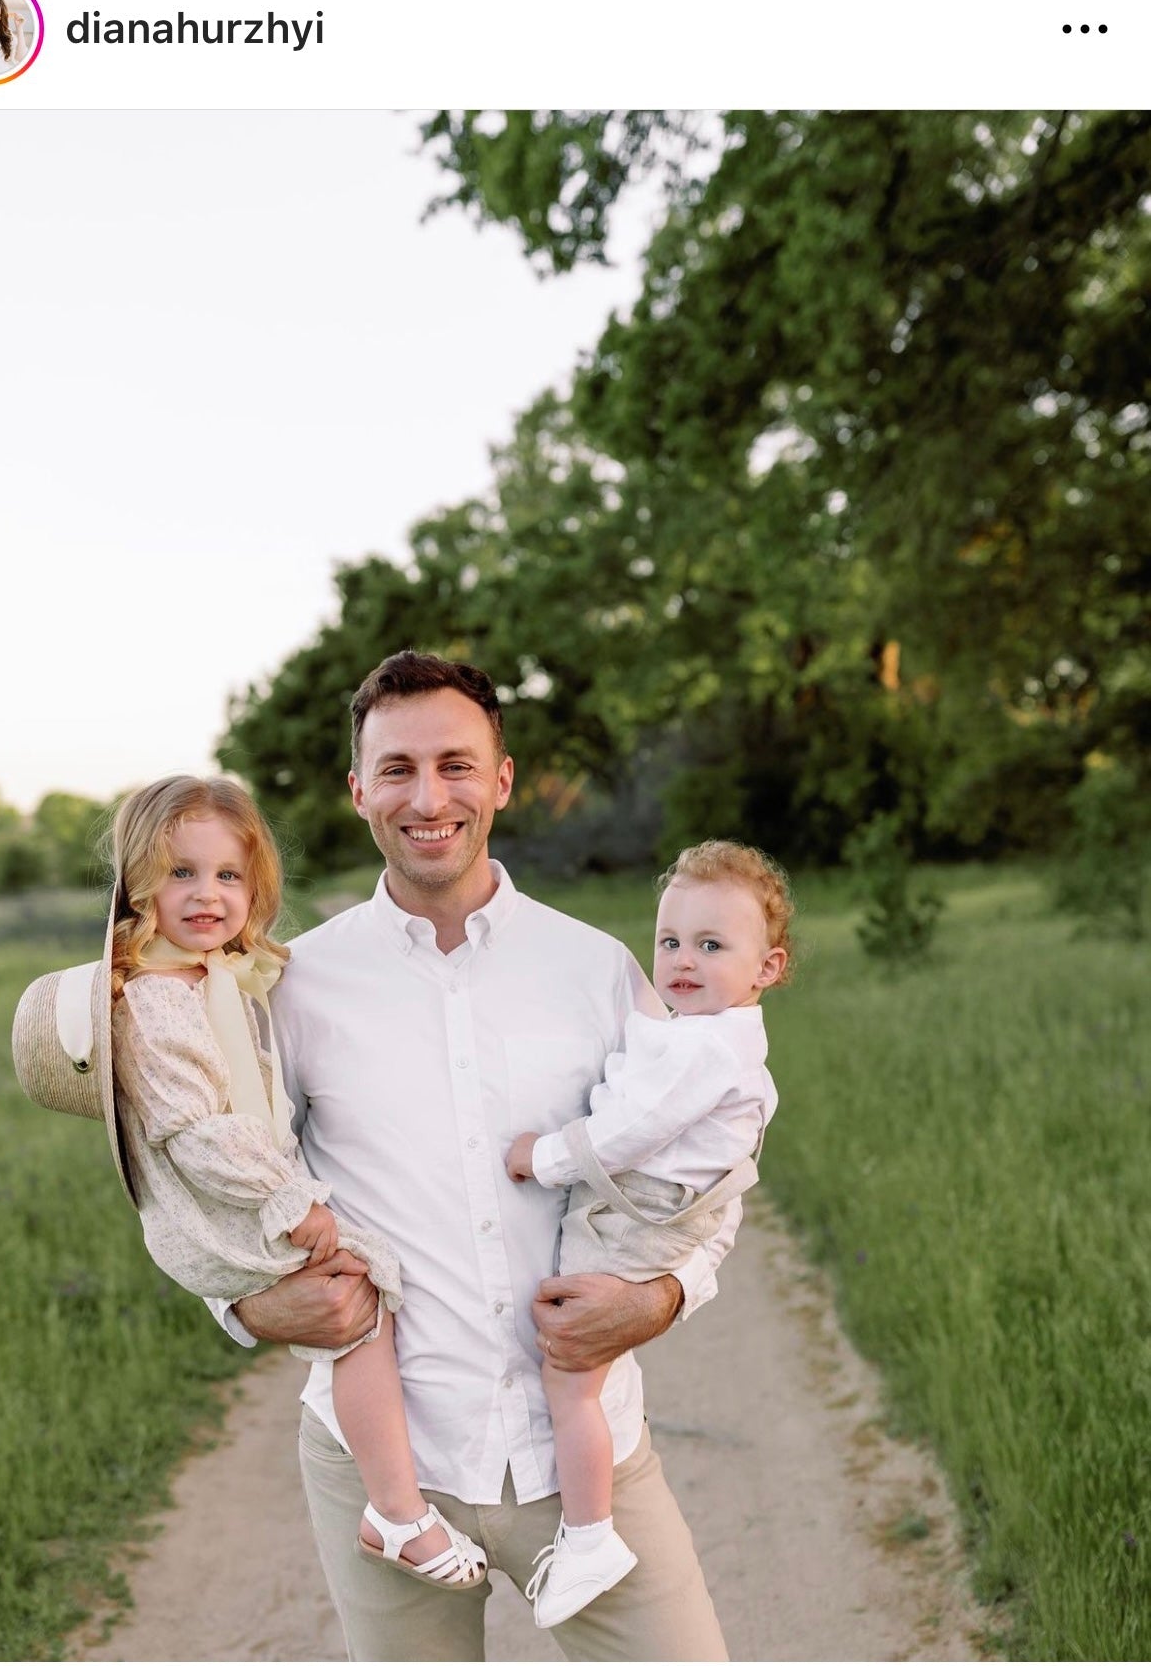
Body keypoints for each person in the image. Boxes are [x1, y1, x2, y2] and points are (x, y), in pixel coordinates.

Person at [217, 650, 736, 1662]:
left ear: (500, 779)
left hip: (587, 1463)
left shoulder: (597, 971)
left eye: (456, 763)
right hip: (384, 1473)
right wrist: (243, 1307)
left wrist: (667, 1296)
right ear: (359, 788)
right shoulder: (290, 986)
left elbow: (704, 1172)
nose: (429, 795)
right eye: (398, 768)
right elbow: (213, 1186)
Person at [108, 775, 487, 1590]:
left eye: (228, 875)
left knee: (367, 1301)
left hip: (250, 1189)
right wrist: (295, 1201)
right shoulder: (155, 997)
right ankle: (396, 1506)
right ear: (139, 881)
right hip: (229, 1207)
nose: (207, 893)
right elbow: (194, 1132)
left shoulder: (217, 976)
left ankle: (402, 1492)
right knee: (362, 1294)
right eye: (180, 873)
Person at [504, 840, 790, 1625]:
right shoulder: (696, 1029)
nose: (682, 960)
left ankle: (590, 1533)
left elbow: (629, 1129)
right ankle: (588, 1527)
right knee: (577, 1374)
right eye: (669, 941)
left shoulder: (710, 1047)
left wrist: (543, 1157)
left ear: (767, 967)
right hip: (641, 1204)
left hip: (633, 1212)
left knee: (571, 1373)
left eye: (711, 945)